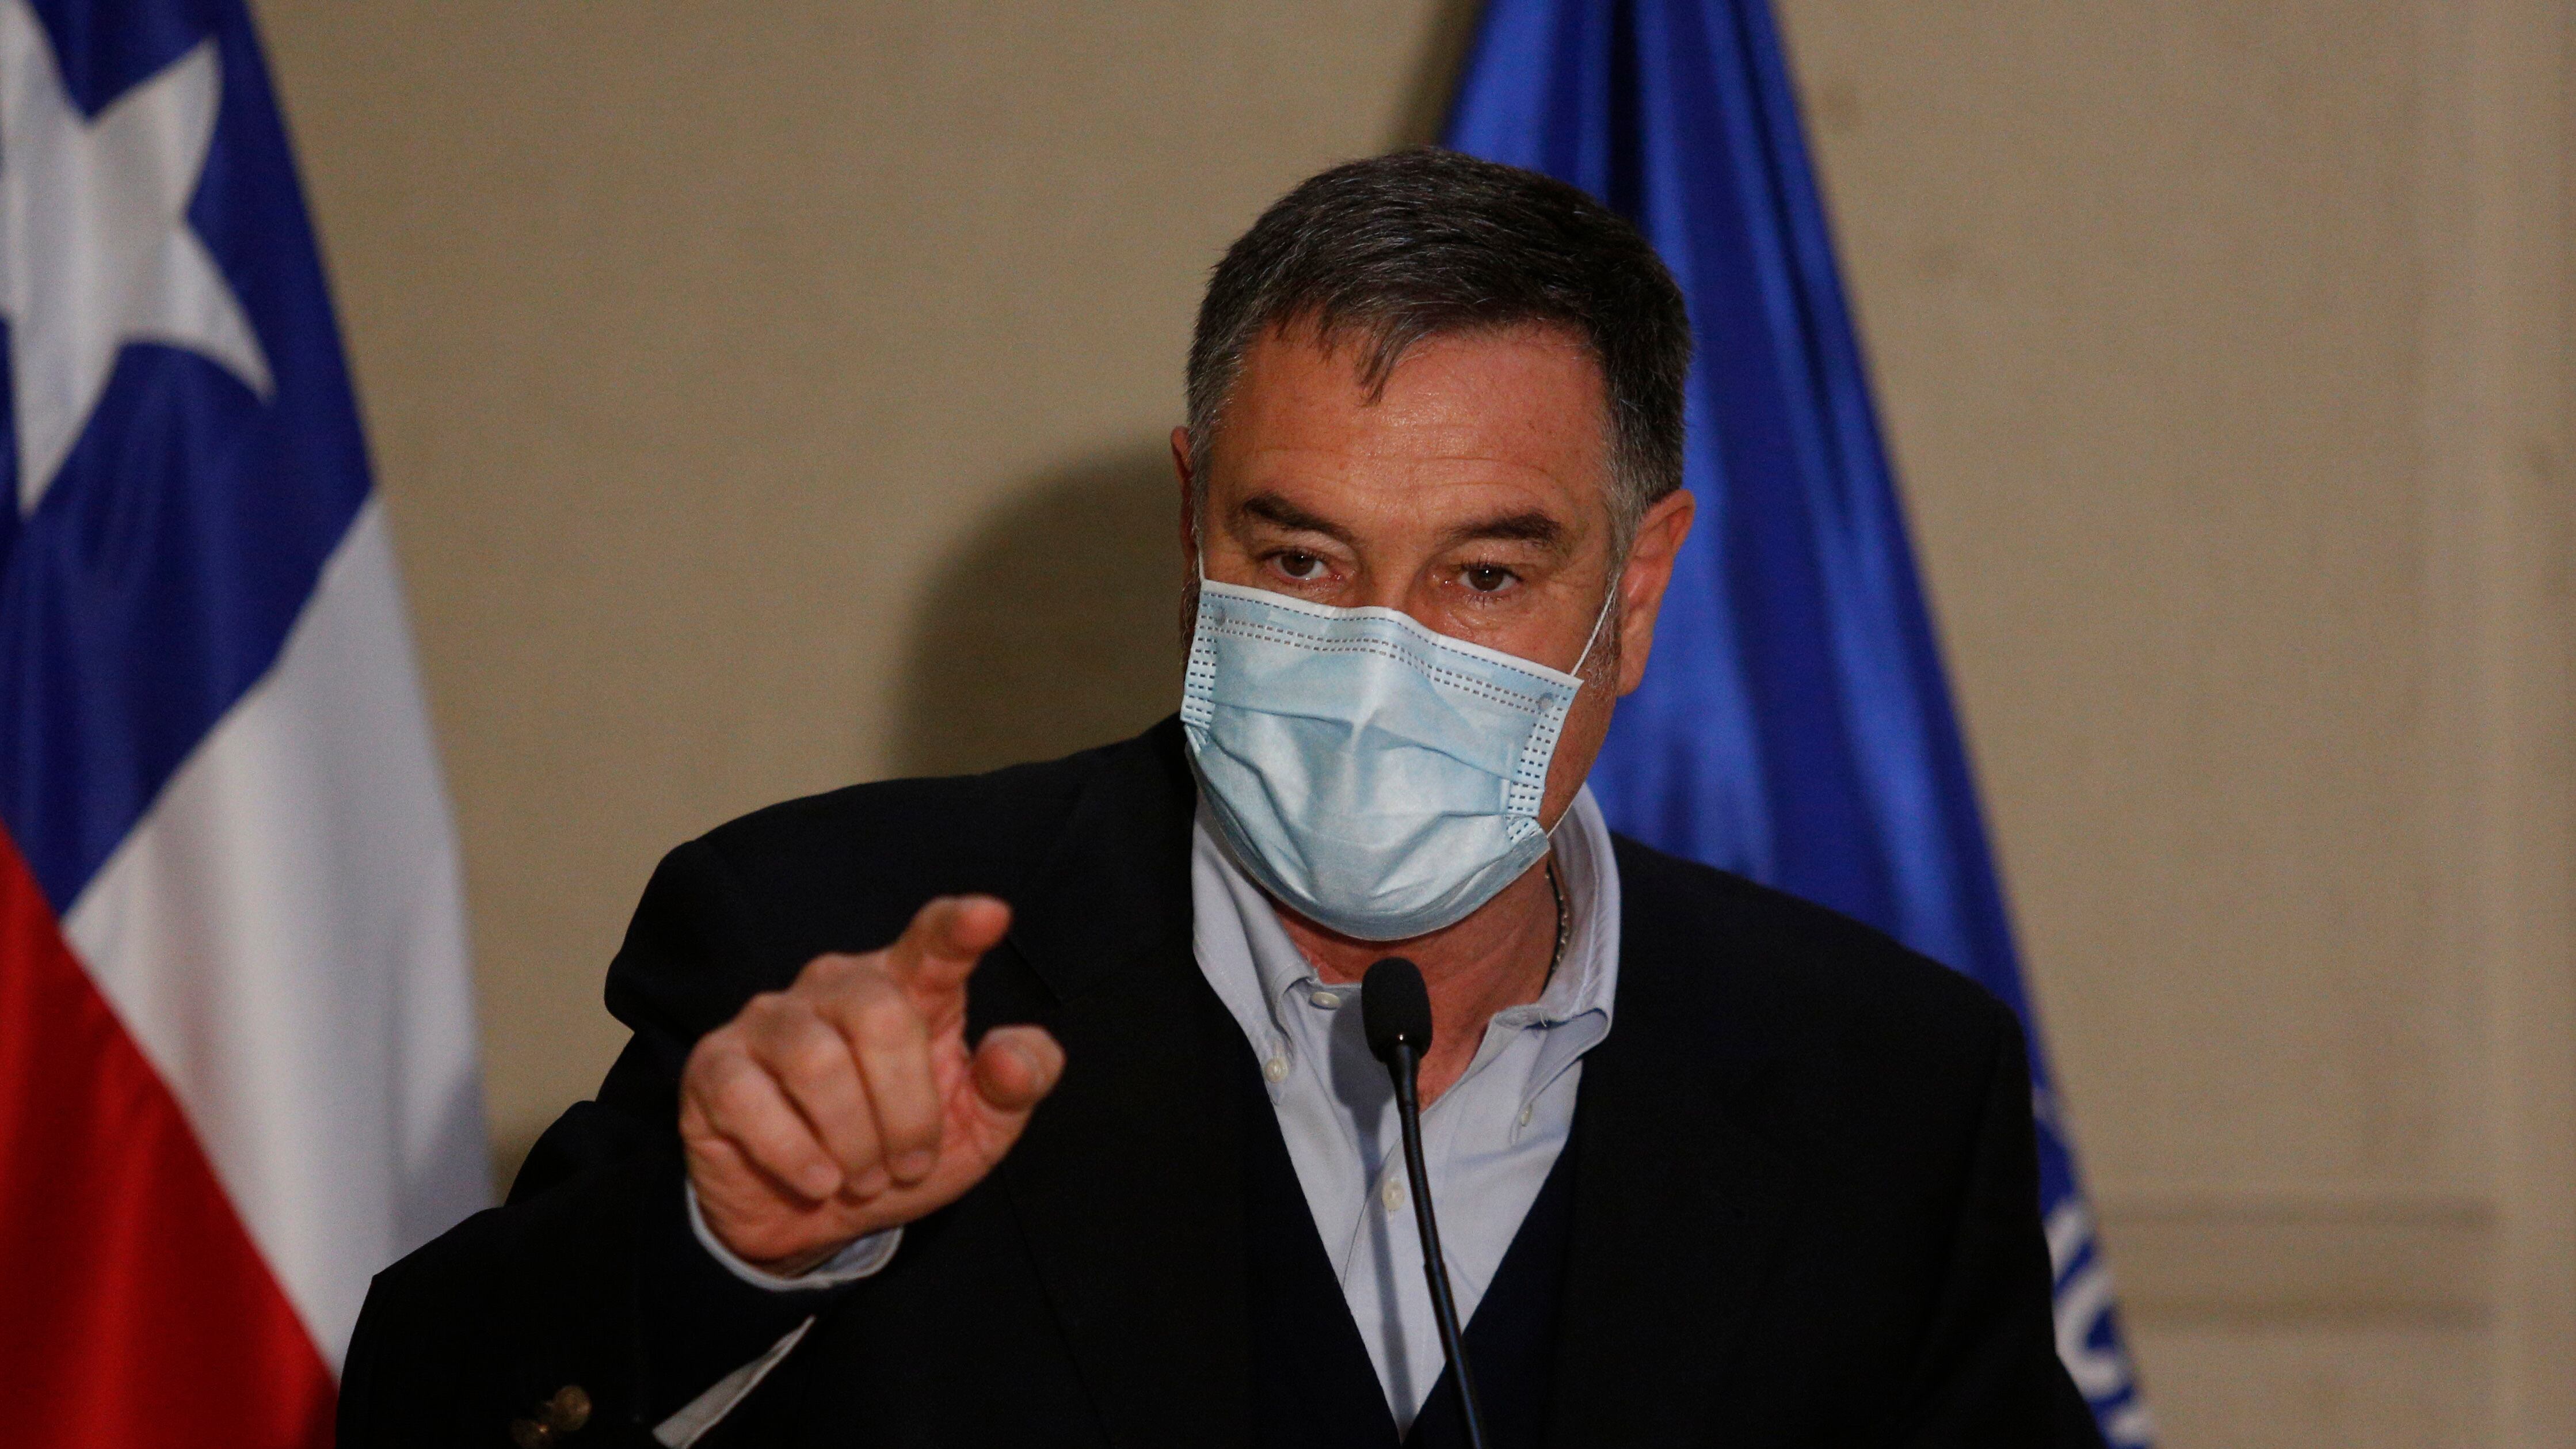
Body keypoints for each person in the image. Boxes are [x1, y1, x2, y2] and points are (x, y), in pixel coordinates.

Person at [341, 147, 2101, 1448]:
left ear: (1634, 593)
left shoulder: (1880, 1083)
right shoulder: (822, 940)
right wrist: (724, 1252)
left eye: (1486, 576)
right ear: (1194, 532)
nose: (1380, 661)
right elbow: (427, 1417)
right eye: (1303, 558)